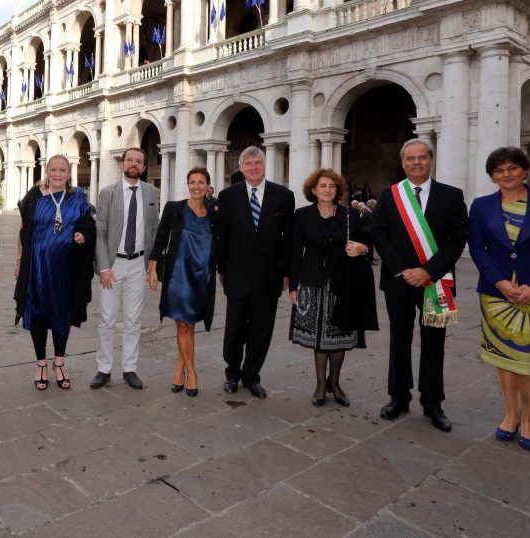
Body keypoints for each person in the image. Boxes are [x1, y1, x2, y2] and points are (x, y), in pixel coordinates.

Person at [467, 147, 530, 451]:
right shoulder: (482, 205)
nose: (506, 175)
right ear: (492, 176)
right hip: (497, 294)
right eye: (498, 170)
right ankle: (511, 415)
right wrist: (499, 282)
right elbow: (477, 247)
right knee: (505, 359)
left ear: (525, 170)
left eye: (512, 168)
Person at [372, 139, 468, 431]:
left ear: (431, 160)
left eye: (422, 158)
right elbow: (379, 233)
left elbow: (457, 239)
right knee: (399, 340)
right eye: (410, 158)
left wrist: (427, 270)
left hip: (437, 281)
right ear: (402, 163)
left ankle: (432, 402)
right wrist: (404, 269)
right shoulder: (389, 195)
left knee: (434, 343)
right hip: (399, 281)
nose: (416, 162)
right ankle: (398, 397)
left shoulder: (451, 195)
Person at [288, 168, 376, 407]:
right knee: (319, 336)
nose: (327, 190)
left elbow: (368, 240)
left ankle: (334, 383)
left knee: (340, 333)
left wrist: (362, 248)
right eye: (322, 186)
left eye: (331, 186)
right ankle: (320, 385)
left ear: (337, 190)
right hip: (313, 280)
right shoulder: (302, 214)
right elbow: (295, 252)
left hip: (343, 280)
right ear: (313, 190)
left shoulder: (350, 215)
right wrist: (293, 285)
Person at [216, 146, 295, 399]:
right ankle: (232, 372)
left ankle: (252, 376)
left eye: (257, 163)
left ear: (264, 165)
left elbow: (289, 239)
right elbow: (222, 236)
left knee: (262, 329)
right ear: (241, 167)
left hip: (269, 276)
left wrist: (287, 272)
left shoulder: (283, 195)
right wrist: (222, 268)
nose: (253, 167)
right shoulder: (227, 196)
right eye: (248, 163)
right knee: (235, 327)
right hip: (237, 274)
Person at [14, 155, 96, 390]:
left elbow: (88, 221)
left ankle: (59, 362)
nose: (58, 174)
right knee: (37, 313)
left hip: (66, 268)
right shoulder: (34, 196)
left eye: (62, 170)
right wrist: (19, 260)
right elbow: (24, 230)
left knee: (63, 313)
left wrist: (83, 233)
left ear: (69, 173)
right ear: (46, 171)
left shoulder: (77, 196)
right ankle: (41, 363)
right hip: (38, 266)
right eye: (53, 169)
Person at [91, 147, 160, 390]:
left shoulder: (151, 192)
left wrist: (153, 266)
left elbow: (154, 230)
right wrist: (104, 267)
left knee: (133, 320)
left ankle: (130, 368)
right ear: (122, 164)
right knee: (107, 319)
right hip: (114, 264)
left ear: (143, 166)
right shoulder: (108, 193)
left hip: (139, 265)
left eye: (138, 161)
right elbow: (99, 231)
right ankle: (104, 368)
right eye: (129, 159)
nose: (133, 164)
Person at [147, 167, 218, 397]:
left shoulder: (214, 211)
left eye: (201, 182)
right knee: (183, 324)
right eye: (192, 182)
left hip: (201, 275)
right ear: (187, 185)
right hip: (179, 275)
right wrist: (153, 266)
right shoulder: (174, 208)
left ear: (208, 186)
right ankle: (191, 371)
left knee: (190, 324)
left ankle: (179, 366)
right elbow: (161, 237)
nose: (196, 186)